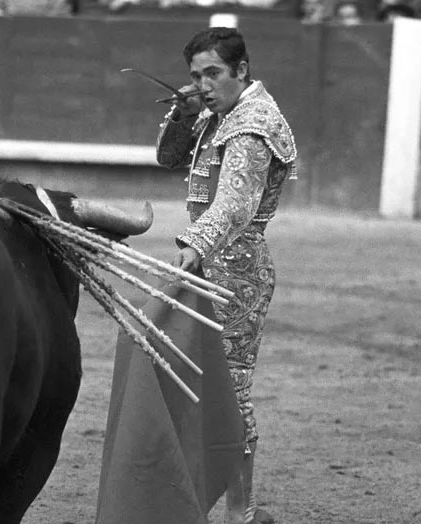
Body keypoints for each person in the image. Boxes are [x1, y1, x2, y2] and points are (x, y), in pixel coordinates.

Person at [155, 27, 297, 524]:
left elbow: (236, 204)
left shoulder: (252, 122)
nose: (203, 84)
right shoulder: (219, 115)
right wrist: (183, 112)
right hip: (206, 263)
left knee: (229, 391)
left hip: (235, 270)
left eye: (212, 73)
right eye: (195, 76)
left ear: (242, 70)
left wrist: (195, 244)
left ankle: (243, 513)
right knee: (191, 385)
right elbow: (168, 158)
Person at [378, 2, 421, 218]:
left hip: (417, 111)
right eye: (389, 20)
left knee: (416, 152)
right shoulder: (376, 47)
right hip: (382, 111)